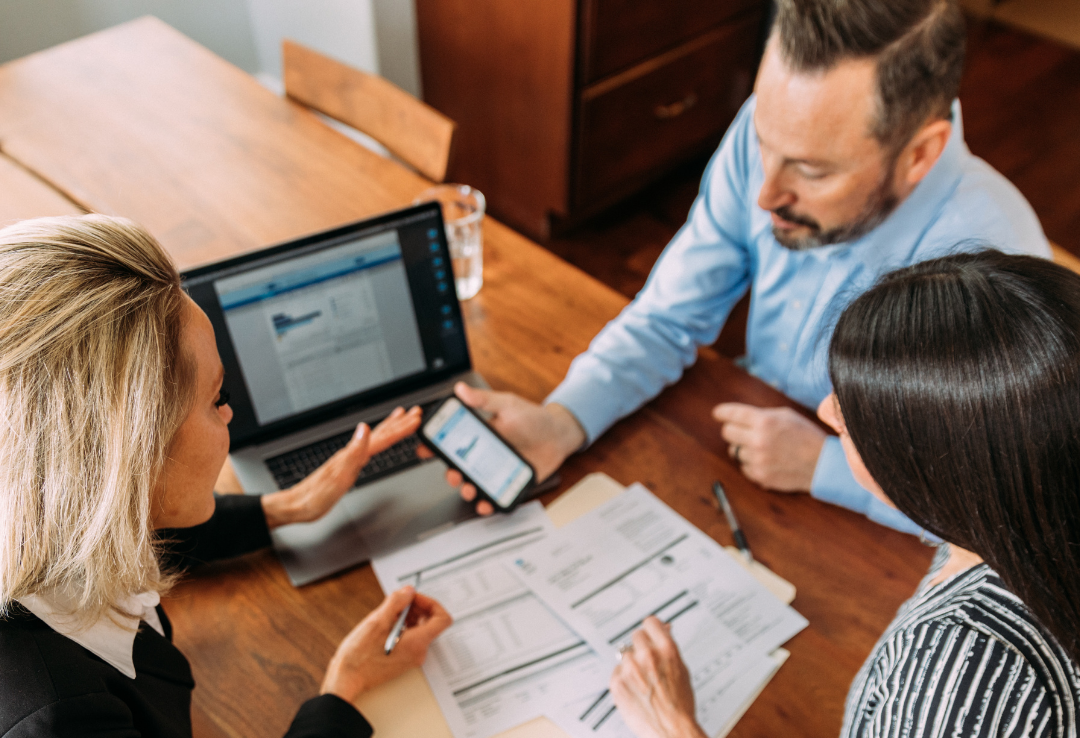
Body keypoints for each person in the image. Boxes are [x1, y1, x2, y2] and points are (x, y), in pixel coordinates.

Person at [0, 215, 452, 738]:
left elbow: (121, 532)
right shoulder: (38, 721)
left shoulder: (29, 512)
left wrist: (282, 509)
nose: (233, 414)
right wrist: (338, 699)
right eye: (214, 400)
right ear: (120, 460)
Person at [609, 249, 1080, 738]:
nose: (826, 412)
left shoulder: (966, 673)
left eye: (856, 413)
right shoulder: (1037, 510)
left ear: (942, 475)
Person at [432, 0, 1050, 533]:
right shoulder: (774, 139)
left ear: (920, 154)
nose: (764, 194)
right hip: (741, 469)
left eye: (812, 170)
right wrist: (563, 420)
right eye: (763, 142)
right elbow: (668, 317)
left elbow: (1007, 508)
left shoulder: (1000, 263)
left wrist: (824, 467)